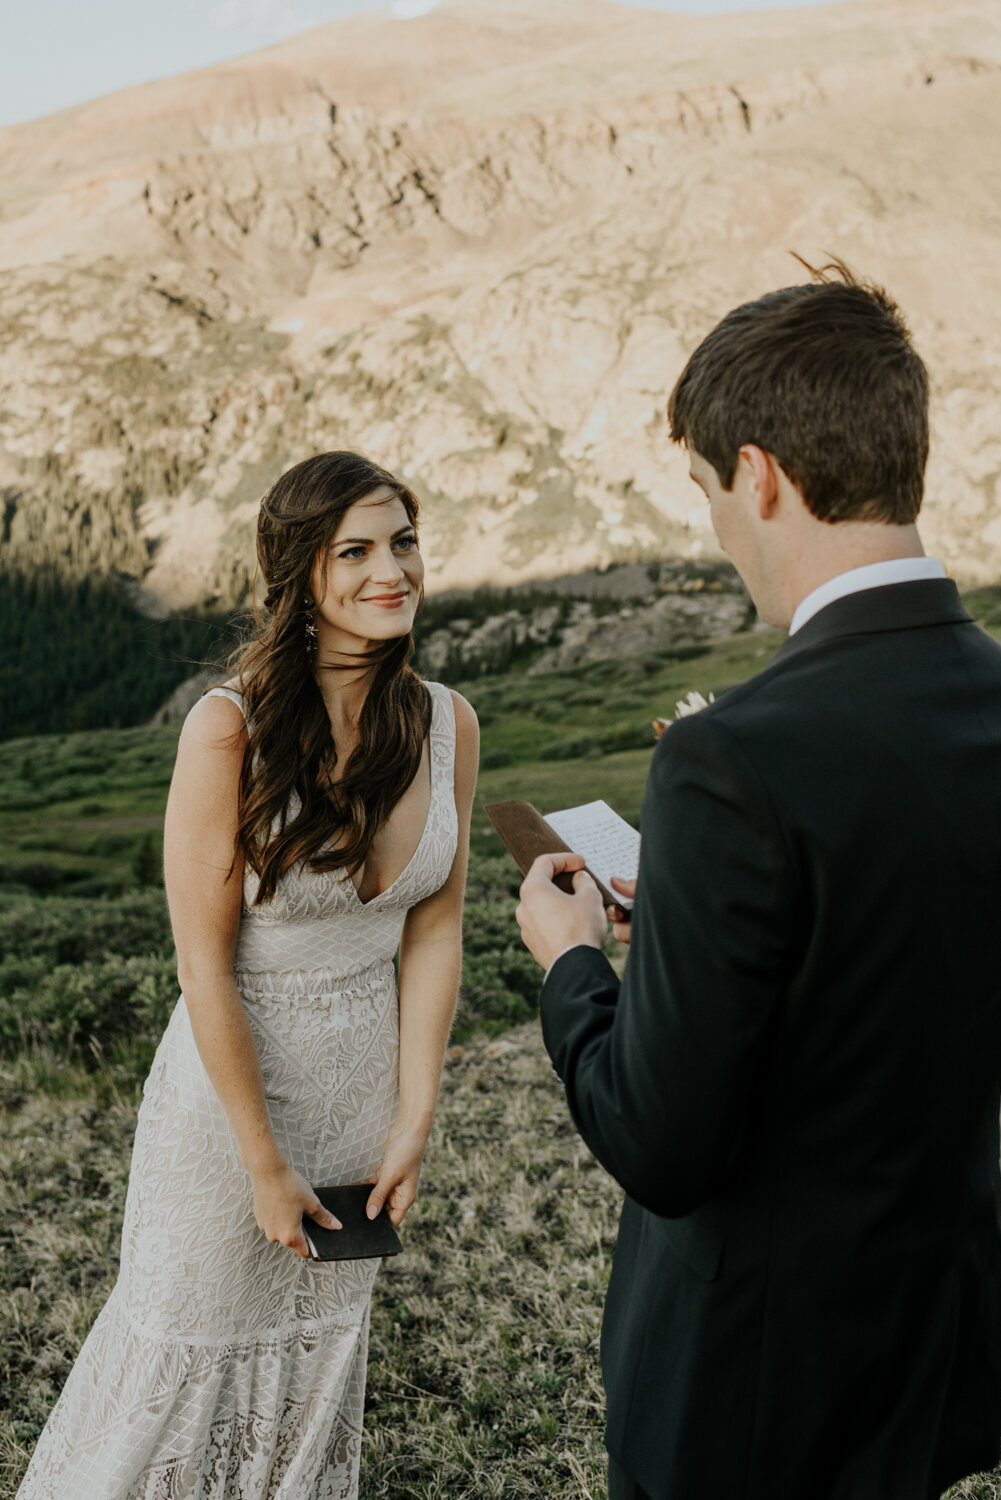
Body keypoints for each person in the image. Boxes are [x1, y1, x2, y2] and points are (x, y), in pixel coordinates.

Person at [515, 263, 1001, 1500]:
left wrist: (574, 962)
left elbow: (660, 1141)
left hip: (752, 1392)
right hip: (935, 1351)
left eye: (703, 490)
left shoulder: (730, 758)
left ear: (761, 474)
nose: (714, 527)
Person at [18, 451, 478, 1500]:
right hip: (230, 1110)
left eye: (402, 543)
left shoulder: (447, 723)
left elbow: (436, 929)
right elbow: (200, 959)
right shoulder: (225, 728)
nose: (391, 571)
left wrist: (414, 1117)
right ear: (296, 574)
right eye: (354, 551)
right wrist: (260, 1157)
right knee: (182, 1360)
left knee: (311, 1368)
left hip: (360, 1102)